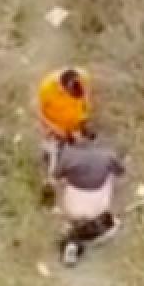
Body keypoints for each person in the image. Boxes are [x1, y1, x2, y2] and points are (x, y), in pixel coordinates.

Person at [53, 131, 126, 267]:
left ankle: (71, 232)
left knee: (61, 180)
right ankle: (101, 220)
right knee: (111, 174)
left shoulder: (67, 155)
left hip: (72, 207)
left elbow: (56, 176)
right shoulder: (107, 154)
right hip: (99, 206)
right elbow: (121, 172)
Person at [36, 67, 93, 195]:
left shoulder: (82, 76)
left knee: (76, 146)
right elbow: (39, 113)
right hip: (55, 126)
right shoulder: (46, 89)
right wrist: (54, 129)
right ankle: (50, 180)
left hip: (74, 124)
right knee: (52, 152)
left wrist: (85, 115)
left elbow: (86, 95)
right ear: (62, 88)